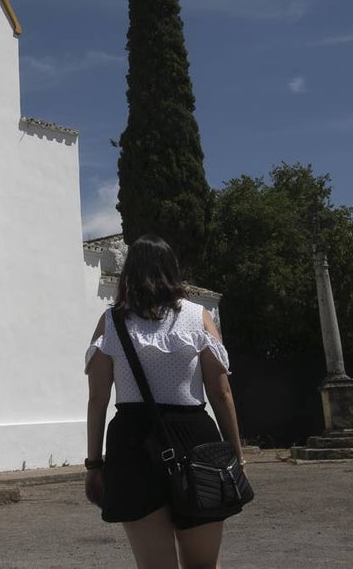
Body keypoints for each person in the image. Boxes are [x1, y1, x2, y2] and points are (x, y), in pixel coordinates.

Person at [84, 234, 245, 569]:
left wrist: (94, 465)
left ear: (128, 273)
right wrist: (236, 454)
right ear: (173, 271)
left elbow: (98, 399)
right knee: (203, 564)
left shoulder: (110, 322)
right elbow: (220, 392)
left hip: (132, 444)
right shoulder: (199, 317)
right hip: (197, 441)